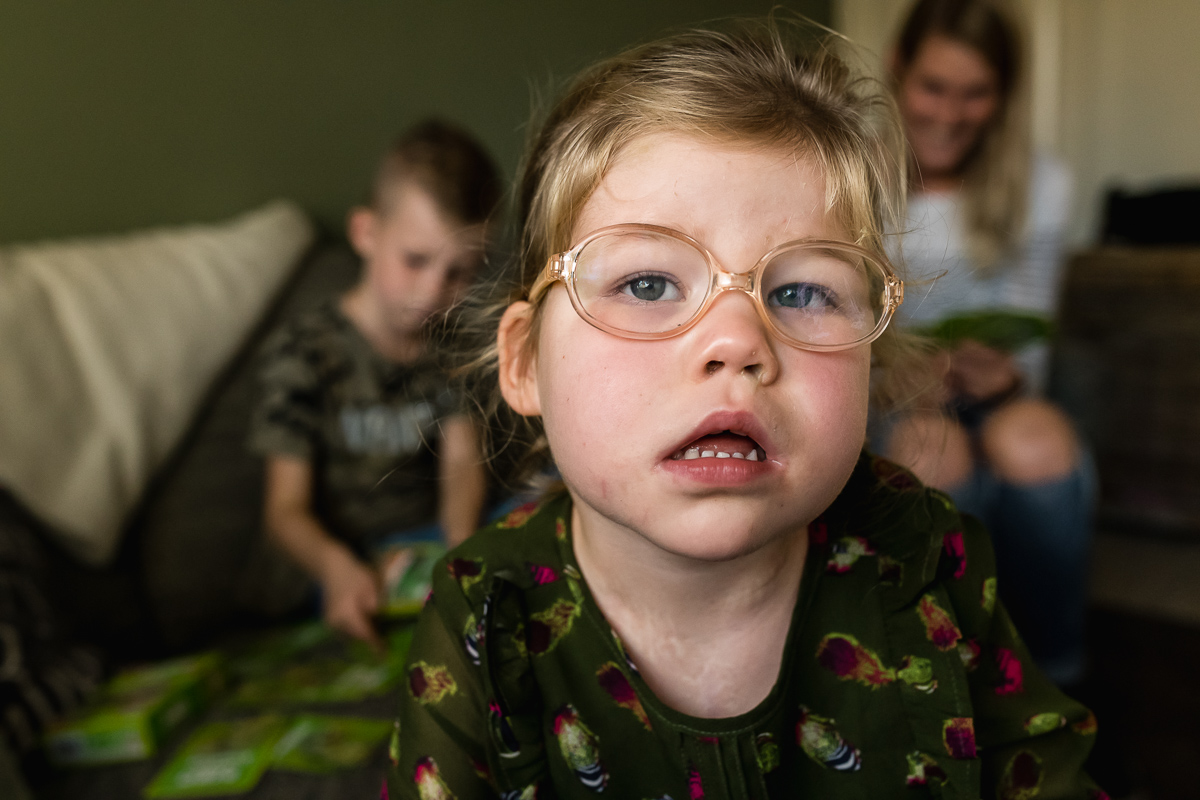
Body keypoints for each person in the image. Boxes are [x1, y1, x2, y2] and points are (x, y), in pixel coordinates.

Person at [386, 22, 1103, 799]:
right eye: (649, 283)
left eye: (801, 293)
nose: (736, 343)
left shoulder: (927, 554)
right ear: (525, 363)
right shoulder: (483, 613)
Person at [883, 0, 1093, 687]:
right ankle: (956, 684)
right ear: (898, 73)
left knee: (1038, 444)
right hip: (884, 398)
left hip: (992, 393)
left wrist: (998, 375)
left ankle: (1056, 681)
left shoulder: (1043, 185)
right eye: (933, 87)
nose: (950, 112)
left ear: (1002, 96)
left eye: (975, 93)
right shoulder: (846, 174)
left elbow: (1030, 339)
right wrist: (897, 370)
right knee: (934, 453)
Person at [250, 120, 501, 646]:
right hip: (346, 557)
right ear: (366, 233)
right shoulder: (304, 352)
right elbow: (284, 511)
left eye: (460, 272)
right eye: (415, 261)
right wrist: (336, 567)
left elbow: (461, 461)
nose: (434, 291)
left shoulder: (452, 344)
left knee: (552, 497)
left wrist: (460, 544)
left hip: (430, 539)